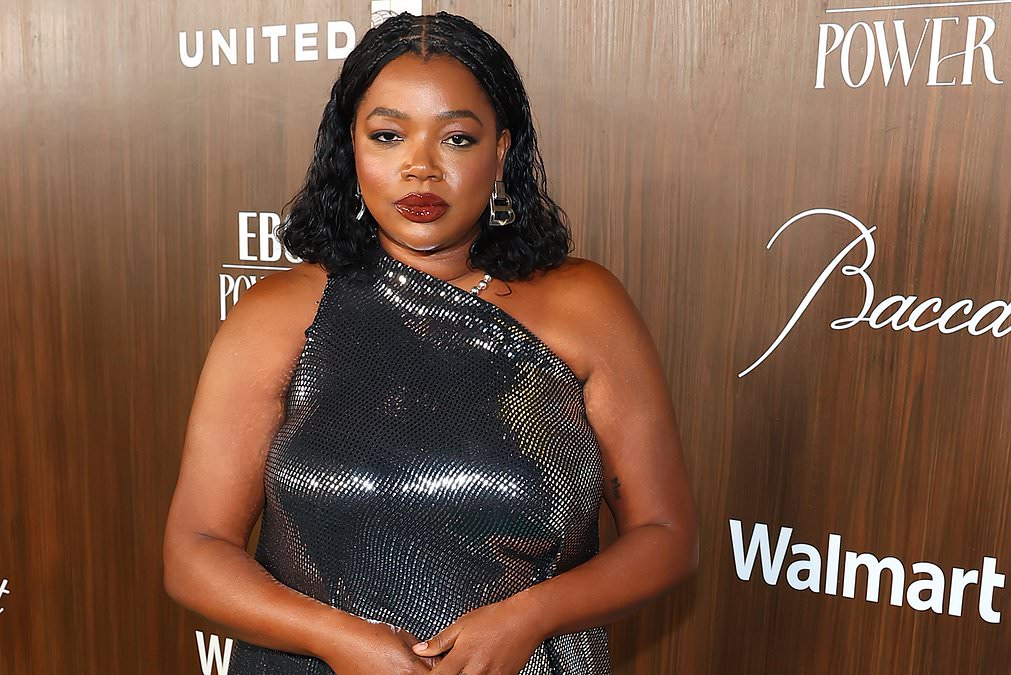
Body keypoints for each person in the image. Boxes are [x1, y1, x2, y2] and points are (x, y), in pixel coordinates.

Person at [162, 11, 697, 675]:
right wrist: (337, 639)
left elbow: (665, 536)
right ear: (351, 147)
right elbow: (196, 548)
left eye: (457, 139)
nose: (420, 168)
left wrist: (531, 616)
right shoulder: (274, 316)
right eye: (388, 135)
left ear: (501, 152)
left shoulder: (585, 306)